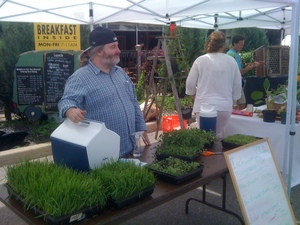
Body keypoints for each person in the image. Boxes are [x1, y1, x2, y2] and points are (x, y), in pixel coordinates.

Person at [58, 26, 150, 157]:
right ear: (100, 51)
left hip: (130, 149)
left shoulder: (120, 73)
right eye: (113, 47)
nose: (118, 50)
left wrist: (141, 127)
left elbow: (133, 102)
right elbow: (66, 101)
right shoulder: (80, 78)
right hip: (105, 156)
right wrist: (71, 110)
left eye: (117, 46)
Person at [186, 31, 242, 138]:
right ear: (223, 45)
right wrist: (235, 97)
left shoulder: (200, 60)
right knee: (219, 137)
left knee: (205, 139)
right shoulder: (231, 61)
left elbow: (190, 83)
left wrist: (192, 93)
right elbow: (237, 84)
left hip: (204, 106)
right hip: (224, 106)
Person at [227, 34, 262, 109]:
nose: (242, 47)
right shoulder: (230, 55)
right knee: (235, 105)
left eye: (243, 45)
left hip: (238, 82)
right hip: (233, 84)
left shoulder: (235, 54)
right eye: (240, 45)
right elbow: (236, 72)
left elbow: (239, 68)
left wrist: (251, 65)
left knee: (242, 103)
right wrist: (248, 68)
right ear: (234, 43)